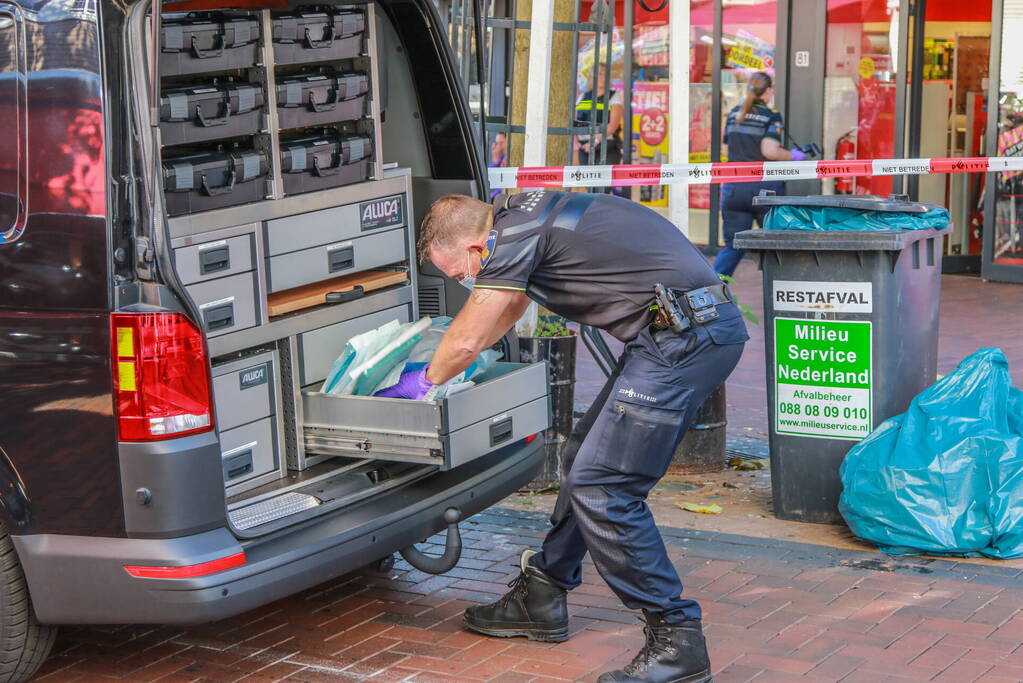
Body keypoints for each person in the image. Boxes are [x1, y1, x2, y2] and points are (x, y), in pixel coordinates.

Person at [381, 190, 748, 683]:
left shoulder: (510, 234)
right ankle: (542, 595)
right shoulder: (521, 217)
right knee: (583, 462)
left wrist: (425, 382)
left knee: (605, 486)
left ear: (474, 247)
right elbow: (506, 308)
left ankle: (677, 642)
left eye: (458, 272)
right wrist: (458, 364)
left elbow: (467, 337)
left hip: (685, 341)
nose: (464, 281)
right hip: (677, 334)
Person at [715, 71, 808, 277]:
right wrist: (793, 156)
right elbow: (770, 151)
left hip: (734, 188)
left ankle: (711, 289)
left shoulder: (735, 113)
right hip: (762, 189)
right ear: (768, 91)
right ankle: (781, 288)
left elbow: (725, 149)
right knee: (775, 245)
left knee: (733, 245)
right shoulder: (770, 115)